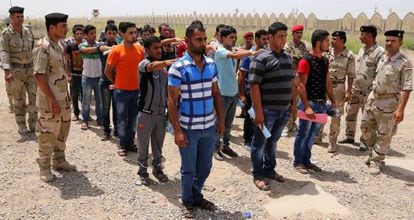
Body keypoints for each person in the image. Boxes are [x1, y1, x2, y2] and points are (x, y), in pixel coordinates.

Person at [167, 21, 224, 218]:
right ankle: (187, 201)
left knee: (205, 166)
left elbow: (216, 94)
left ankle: (196, 195)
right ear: (187, 40)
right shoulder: (178, 67)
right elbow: (172, 101)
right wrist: (177, 130)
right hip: (188, 128)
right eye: (198, 39)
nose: (202, 43)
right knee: (189, 169)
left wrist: (221, 121)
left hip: (209, 127)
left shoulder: (211, 64)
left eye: (204, 39)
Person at [248, 22, 296, 190]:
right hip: (266, 111)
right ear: (270, 37)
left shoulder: (287, 57)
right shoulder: (260, 58)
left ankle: (270, 170)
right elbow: (253, 86)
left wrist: (292, 105)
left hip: (282, 111)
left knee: (273, 142)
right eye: (280, 36)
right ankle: (258, 175)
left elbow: (291, 82)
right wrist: (259, 112)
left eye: (285, 36)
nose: (283, 40)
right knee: (259, 143)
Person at [361, 30, 412, 175]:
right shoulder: (382, 58)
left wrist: (400, 110)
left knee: (384, 134)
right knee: (365, 128)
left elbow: (407, 88)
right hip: (373, 99)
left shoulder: (404, 62)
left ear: (400, 42)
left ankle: (377, 160)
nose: (389, 43)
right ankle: (372, 153)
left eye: (393, 41)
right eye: (387, 40)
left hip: (389, 103)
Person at [33, 12, 76, 182]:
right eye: (63, 26)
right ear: (52, 28)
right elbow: (39, 75)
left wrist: (66, 96)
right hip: (49, 102)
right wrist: (51, 100)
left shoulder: (58, 45)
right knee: (47, 134)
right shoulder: (42, 47)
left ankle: (59, 161)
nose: (66, 29)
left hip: (62, 99)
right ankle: (44, 167)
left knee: (62, 131)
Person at [213, 25, 260, 161]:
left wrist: (252, 50)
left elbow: (237, 50)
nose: (234, 39)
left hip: (232, 93)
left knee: (228, 123)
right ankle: (216, 148)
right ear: (222, 38)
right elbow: (235, 54)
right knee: (219, 123)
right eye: (231, 37)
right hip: (222, 93)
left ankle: (225, 145)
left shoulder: (231, 50)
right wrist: (250, 53)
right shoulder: (220, 51)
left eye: (235, 37)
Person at [293, 29, 337, 174]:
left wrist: (333, 101)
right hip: (310, 103)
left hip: (321, 104)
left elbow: (327, 82)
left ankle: (307, 160)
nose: (329, 43)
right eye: (326, 40)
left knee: (313, 135)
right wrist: (306, 106)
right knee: (303, 133)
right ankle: (298, 162)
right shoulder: (305, 60)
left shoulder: (324, 60)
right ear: (318, 42)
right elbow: (300, 85)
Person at [136, 36, 176, 186]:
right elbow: (151, 67)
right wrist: (166, 62)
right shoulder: (144, 64)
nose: (159, 51)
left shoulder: (163, 69)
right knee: (143, 145)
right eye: (155, 48)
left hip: (160, 114)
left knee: (158, 144)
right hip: (145, 114)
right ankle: (142, 172)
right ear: (147, 50)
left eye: (160, 48)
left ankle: (157, 169)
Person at [339, 25, 384, 150]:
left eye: (362, 34)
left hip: (368, 92)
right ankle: (349, 135)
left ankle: (365, 140)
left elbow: (380, 74)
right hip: (356, 90)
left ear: (369, 36)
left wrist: (374, 92)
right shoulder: (362, 50)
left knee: (367, 118)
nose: (360, 37)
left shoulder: (379, 52)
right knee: (350, 113)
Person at [105, 22, 145, 156]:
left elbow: (143, 69)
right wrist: (117, 82)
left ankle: (130, 143)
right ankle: (122, 144)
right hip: (121, 91)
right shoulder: (116, 50)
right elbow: (108, 71)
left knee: (133, 119)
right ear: (122, 34)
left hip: (136, 91)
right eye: (130, 33)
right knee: (122, 119)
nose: (134, 35)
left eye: (135, 32)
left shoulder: (140, 50)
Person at [0, 6, 37, 134]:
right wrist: (7, 71)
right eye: (17, 17)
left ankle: (33, 123)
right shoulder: (6, 34)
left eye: (22, 16)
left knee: (34, 97)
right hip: (16, 71)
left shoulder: (28, 31)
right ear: (11, 18)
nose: (20, 19)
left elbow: (33, 49)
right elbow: (4, 52)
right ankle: (21, 124)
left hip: (30, 70)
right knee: (19, 99)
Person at [325, 31, 356, 153]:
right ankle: (317, 137)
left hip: (339, 89)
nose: (332, 41)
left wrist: (349, 91)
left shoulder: (349, 56)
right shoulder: (327, 52)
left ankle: (332, 142)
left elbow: (351, 75)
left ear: (342, 40)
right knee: (321, 112)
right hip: (325, 88)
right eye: (331, 39)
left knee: (335, 116)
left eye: (335, 39)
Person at [238, 29, 268, 151]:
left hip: (263, 92)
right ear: (257, 40)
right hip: (250, 92)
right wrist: (241, 95)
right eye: (263, 39)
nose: (266, 41)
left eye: (267, 39)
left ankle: (260, 139)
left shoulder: (267, 54)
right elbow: (241, 77)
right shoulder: (249, 56)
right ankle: (248, 140)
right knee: (250, 117)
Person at [282, 24, 310, 137]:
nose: (299, 35)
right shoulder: (287, 46)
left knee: (298, 101)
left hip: (301, 76)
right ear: (293, 34)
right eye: (297, 33)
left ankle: (293, 123)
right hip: (290, 75)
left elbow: (307, 60)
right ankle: (287, 124)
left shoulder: (305, 46)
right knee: (289, 100)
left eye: (300, 33)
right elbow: (289, 60)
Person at [79, 25, 103, 130]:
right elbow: (85, 50)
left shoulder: (100, 44)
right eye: (91, 33)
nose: (94, 35)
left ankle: (100, 119)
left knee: (99, 100)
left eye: (95, 33)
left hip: (99, 77)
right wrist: (98, 48)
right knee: (86, 100)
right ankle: (85, 120)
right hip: (87, 77)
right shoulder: (82, 45)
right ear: (86, 35)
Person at [99, 23, 118, 141]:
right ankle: (106, 130)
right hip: (105, 82)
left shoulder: (120, 47)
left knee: (117, 108)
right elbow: (102, 49)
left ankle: (117, 129)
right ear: (105, 34)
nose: (111, 36)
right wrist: (114, 49)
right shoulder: (102, 46)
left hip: (117, 82)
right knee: (105, 108)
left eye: (114, 33)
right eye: (109, 33)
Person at [65, 24, 84, 121]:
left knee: (85, 96)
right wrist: (68, 75)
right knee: (74, 95)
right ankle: (76, 113)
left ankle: (85, 115)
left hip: (85, 75)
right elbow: (66, 62)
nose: (79, 36)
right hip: (74, 75)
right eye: (77, 34)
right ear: (74, 35)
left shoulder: (86, 47)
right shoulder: (70, 47)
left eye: (81, 34)